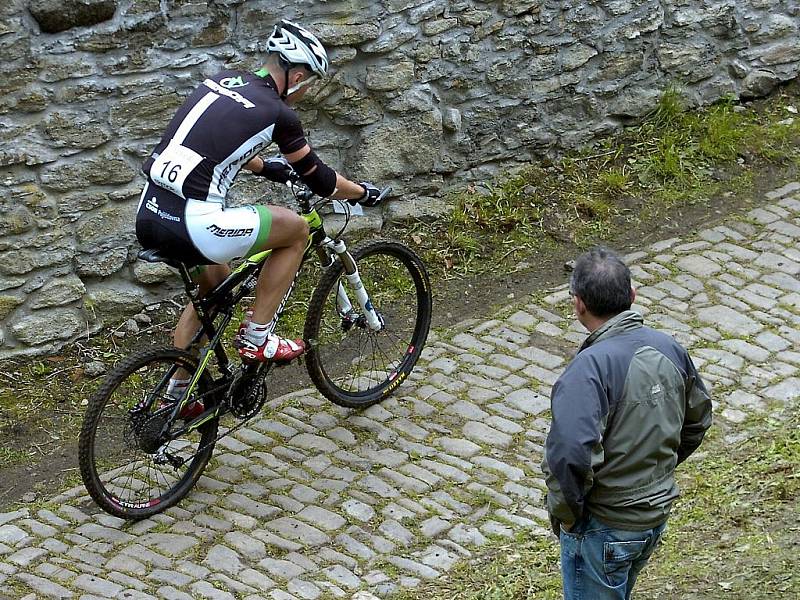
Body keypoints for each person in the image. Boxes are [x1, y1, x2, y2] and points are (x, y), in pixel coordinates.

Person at [135, 20, 381, 403]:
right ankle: (258, 337)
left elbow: (216, 143)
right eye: (309, 82)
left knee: (214, 293)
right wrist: (362, 193)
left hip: (150, 214)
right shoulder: (279, 113)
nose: (306, 90)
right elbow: (321, 180)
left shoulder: (224, 82)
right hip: (196, 225)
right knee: (296, 229)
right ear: (296, 76)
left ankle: (176, 398)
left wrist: (269, 167)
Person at [541, 247, 712, 600]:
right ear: (632, 296)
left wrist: (567, 518)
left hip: (604, 527)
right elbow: (697, 420)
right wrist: (653, 471)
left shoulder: (587, 371)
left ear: (578, 304)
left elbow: (570, 455)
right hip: (652, 516)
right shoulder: (669, 348)